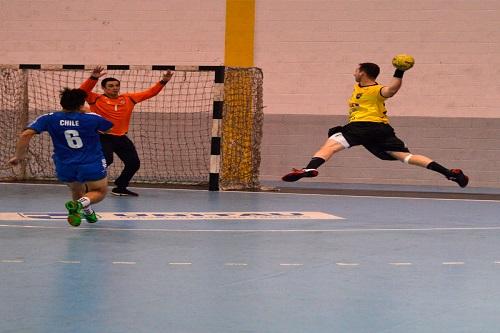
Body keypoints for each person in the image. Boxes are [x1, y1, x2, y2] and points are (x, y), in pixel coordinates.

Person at [282, 61, 469, 188]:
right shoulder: (359, 87)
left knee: (330, 145)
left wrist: (399, 70)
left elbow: (392, 89)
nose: (354, 73)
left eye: (357, 70)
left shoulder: (376, 89)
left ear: (362, 72)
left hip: (363, 127)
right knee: (404, 156)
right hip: (380, 130)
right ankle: (450, 173)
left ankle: (310, 168)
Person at [8, 88, 114, 227]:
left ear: (62, 103)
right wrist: (87, 112)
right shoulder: (92, 118)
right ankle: (78, 205)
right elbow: (109, 129)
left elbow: (25, 135)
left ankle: (85, 213)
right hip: (90, 162)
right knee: (99, 191)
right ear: (81, 105)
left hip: (65, 164)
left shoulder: (48, 118)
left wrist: (18, 156)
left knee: (77, 189)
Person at [80, 66, 174, 196]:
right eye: (111, 86)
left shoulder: (129, 98)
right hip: (102, 137)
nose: (114, 88)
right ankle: (86, 183)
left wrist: (163, 81)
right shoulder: (95, 99)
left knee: (133, 163)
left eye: (116, 85)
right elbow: (81, 91)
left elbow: (150, 92)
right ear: (104, 88)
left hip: (121, 137)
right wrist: (93, 78)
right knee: (106, 160)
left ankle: (120, 187)